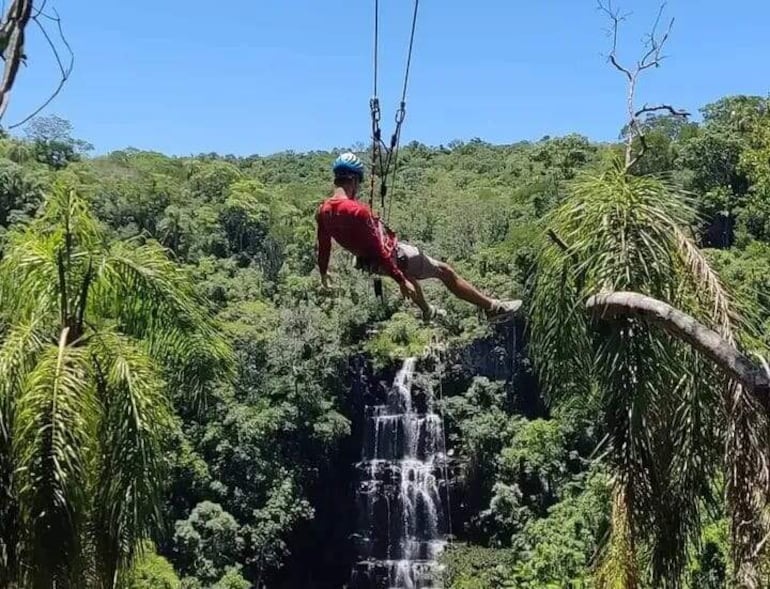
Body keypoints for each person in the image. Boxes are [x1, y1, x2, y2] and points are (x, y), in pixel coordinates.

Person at [315, 152, 522, 323]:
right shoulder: (357, 210)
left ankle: (427, 310)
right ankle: (492, 307)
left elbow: (324, 245)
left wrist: (323, 272)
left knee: (410, 274)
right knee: (445, 272)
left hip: (371, 264)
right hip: (389, 257)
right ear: (354, 180)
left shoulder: (323, 211)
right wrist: (400, 280)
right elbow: (379, 249)